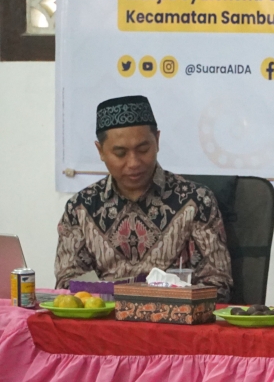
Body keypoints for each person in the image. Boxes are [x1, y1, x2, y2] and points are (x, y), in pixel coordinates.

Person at [54, 95, 233, 301]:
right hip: (104, 317)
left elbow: (217, 284)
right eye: (120, 153)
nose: (134, 163)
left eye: (143, 149)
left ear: (157, 141)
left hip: (174, 317)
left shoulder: (196, 201)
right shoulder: (80, 208)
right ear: (100, 151)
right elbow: (68, 284)